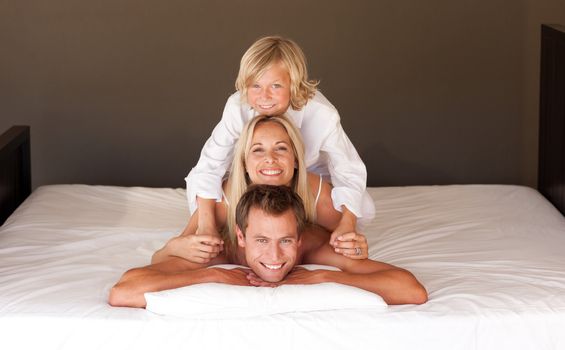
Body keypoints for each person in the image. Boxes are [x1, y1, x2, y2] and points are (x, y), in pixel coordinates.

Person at [185, 35, 375, 261]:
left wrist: (347, 223)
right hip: (257, 175)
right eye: (255, 85)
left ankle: (308, 232)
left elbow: (349, 170)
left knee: (361, 207)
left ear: (294, 84)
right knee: (207, 203)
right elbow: (210, 165)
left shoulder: (323, 114)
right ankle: (225, 231)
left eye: (275, 86)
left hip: (304, 178)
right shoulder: (237, 107)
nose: (263, 97)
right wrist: (207, 225)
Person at [109, 185, 428, 308]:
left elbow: (411, 290)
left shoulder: (314, 245)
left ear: (300, 238)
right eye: (261, 240)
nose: (275, 257)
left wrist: (323, 277)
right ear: (241, 237)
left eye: (285, 241)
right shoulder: (216, 250)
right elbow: (124, 292)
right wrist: (214, 276)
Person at [152, 115, 368, 265]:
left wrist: (355, 247)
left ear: (295, 159)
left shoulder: (316, 192)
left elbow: (351, 246)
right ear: (244, 162)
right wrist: (174, 248)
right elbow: (161, 258)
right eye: (258, 150)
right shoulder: (224, 200)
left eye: (281, 148)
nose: (270, 159)